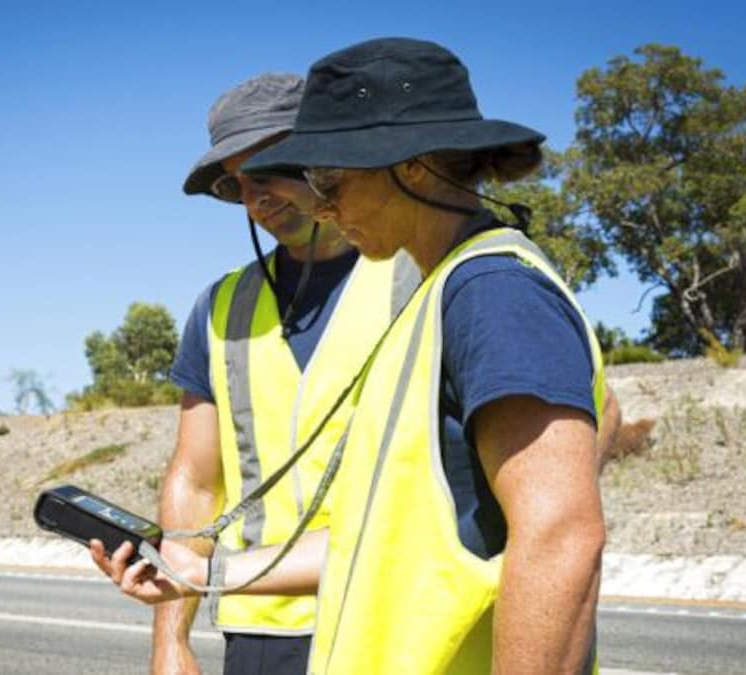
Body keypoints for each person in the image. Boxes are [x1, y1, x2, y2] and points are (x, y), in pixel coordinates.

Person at [93, 39, 615, 675]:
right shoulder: (437, 295)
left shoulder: (490, 292)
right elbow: (382, 533)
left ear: (413, 168)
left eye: (329, 176)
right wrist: (201, 571)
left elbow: (560, 534)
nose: (323, 203)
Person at [154, 73, 419, 675]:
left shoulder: (423, 273)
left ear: (327, 157)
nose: (255, 200)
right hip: (260, 626)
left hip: (396, 619)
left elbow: (583, 422)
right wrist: (171, 642)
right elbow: (196, 482)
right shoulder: (220, 307)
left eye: (270, 171)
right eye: (238, 186)